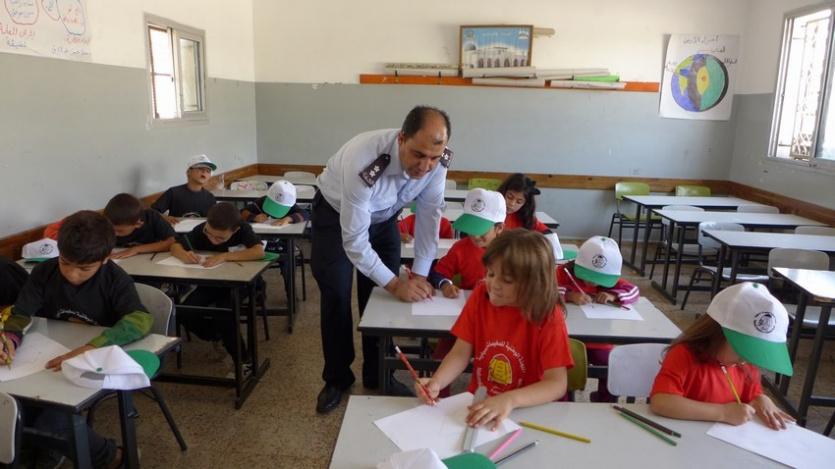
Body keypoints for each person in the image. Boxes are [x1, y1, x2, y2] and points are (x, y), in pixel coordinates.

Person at [312, 105, 452, 414]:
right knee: (336, 292)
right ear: (401, 138)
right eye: (418, 155)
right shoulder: (364, 159)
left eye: (433, 158)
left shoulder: (438, 161)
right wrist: (396, 284)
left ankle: (378, 373)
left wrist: (420, 274)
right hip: (336, 215)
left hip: (385, 216)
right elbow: (355, 241)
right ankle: (337, 378)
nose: (425, 166)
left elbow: (429, 217)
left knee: (379, 298)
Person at [0, 210, 153, 468]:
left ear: (105, 258)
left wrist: (90, 347)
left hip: (97, 360)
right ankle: (37, 446)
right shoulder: (44, 272)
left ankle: (113, 457)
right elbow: (21, 312)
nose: (72, 274)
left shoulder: (115, 280)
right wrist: (10, 338)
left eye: (84, 269)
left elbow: (140, 319)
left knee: (52, 420)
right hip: (50, 357)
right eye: (65, 263)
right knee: (16, 403)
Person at [415, 229, 573, 430]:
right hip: (483, 405)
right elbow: (460, 353)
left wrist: (510, 399)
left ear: (534, 284)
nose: (493, 284)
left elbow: (556, 384)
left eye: (507, 280)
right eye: (490, 273)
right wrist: (437, 381)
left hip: (529, 410)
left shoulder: (548, 316)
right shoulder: (481, 295)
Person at [650, 282, 794, 430]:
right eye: (742, 350)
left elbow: (752, 394)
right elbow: (661, 402)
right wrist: (723, 413)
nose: (745, 359)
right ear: (716, 334)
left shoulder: (745, 364)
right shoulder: (684, 354)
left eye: (754, 352)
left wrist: (761, 399)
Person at [170, 202, 265, 371]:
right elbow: (175, 245)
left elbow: (258, 251)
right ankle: (216, 335)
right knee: (185, 311)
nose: (212, 240)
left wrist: (224, 256)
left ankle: (243, 360)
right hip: (213, 283)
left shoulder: (243, 229)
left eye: (220, 238)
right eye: (209, 233)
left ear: (234, 230)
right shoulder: (202, 229)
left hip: (241, 283)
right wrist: (184, 254)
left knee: (224, 313)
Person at [558, 236, 638, 401]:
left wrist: (613, 295)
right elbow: (546, 290)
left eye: (598, 280)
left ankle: (603, 400)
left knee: (613, 368)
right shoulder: (563, 273)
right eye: (588, 277)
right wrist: (569, 295)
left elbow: (634, 291)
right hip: (567, 339)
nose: (592, 283)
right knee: (560, 369)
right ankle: (563, 401)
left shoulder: (610, 281)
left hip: (599, 342)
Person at [427, 188, 506, 298]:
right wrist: (445, 285)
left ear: (499, 228)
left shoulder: (513, 251)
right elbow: (439, 272)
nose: (475, 236)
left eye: (481, 230)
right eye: (471, 228)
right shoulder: (461, 248)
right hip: (468, 301)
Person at [240, 180, 310, 298]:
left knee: (288, 261)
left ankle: (291, 293)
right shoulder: (261, 202)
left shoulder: (291, 206)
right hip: (259, 244)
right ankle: (257, 289)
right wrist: (254, 217)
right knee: (248, 260)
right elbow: (242, 212)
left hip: (283, 244)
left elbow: (305, 214)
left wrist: (288, 219)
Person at [497, 172, 563, 259]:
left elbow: (546, 232)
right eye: (509, 197)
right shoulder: (489, 212)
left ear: (525, 204)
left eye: (519, 202)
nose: (512, 204)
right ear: (503, 192)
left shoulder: (523, 217)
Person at [104, 193, 176, 259]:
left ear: (138, 224)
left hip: (150, 260)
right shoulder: (103, 223)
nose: (113, 233)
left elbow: (172, 242)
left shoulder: (151, 217)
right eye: (110, 228)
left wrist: (136, 249)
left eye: (119, 231)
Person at [152, 154, 218, 224]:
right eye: (200, 168)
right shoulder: (174, 192)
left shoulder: (210, 197)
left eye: (208, 171)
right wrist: (164, 218)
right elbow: (152, 212)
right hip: (175, 230)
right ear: (188, 172)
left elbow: (214, 221)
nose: (204, 172)